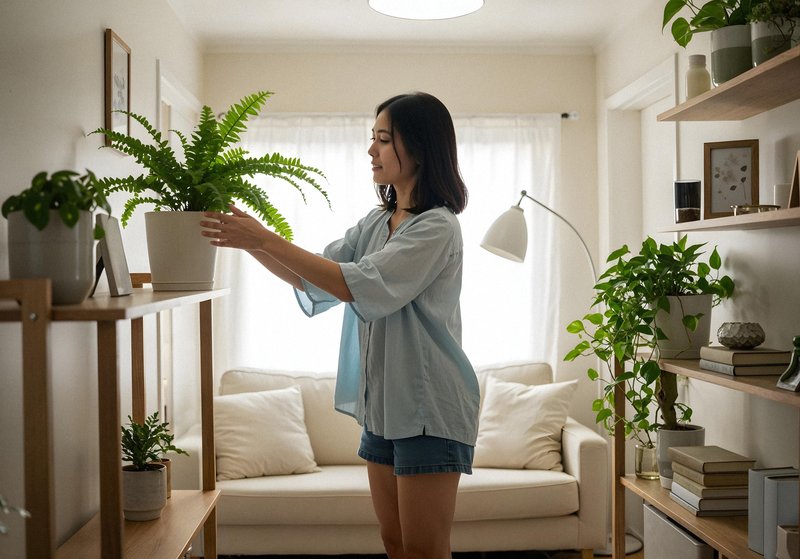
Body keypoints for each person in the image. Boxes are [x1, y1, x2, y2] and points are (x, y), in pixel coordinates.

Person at [200, 92, 479, 559]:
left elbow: (357, 283)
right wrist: (249, 242)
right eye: (372, 139)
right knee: (395, 543)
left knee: (425, 549)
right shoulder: (376, 223)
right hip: (382, 408)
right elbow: (316, 278)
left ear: (420, 148)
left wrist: (266, 237)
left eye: (384, 140)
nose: (371, 150)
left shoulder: (437, 227)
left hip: (429, 407)